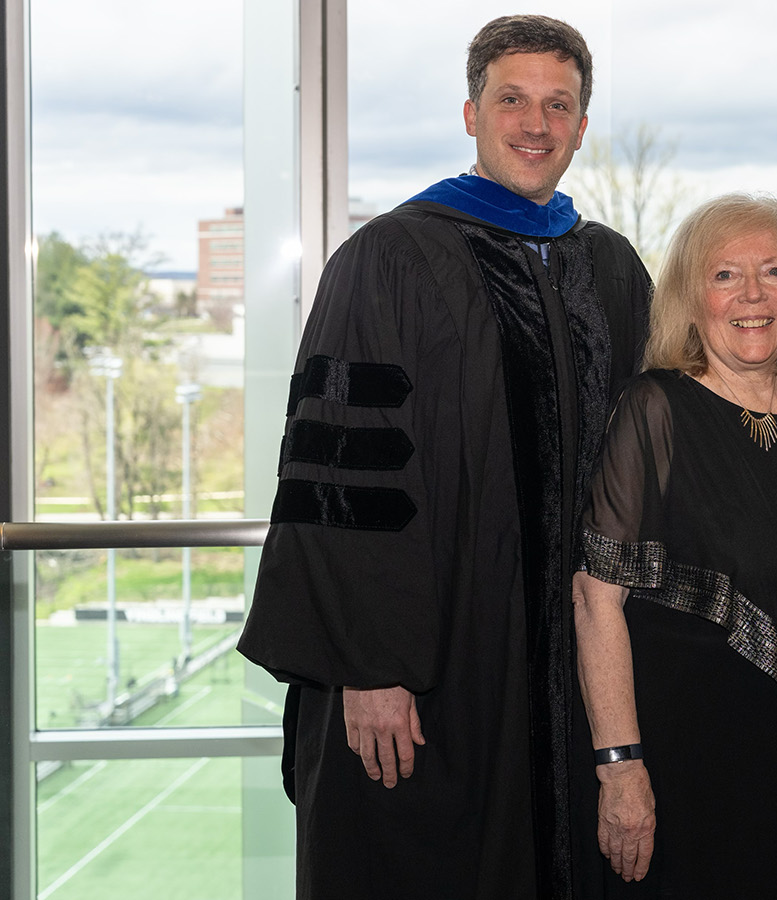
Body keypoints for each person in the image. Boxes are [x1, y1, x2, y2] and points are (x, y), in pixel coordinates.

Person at [237, 15, 650, 900]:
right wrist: (369, 664)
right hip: (433, 669)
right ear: (471, 113)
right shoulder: (387, 258)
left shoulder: (611, 266)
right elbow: (342, 480)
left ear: (582, 124)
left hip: (577, 668)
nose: (535, 124)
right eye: (512, 100)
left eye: (558, 105)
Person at [571, 193, 777, 899]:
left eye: (773, 271)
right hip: (686, 775)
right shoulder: (655, 410)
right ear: (690, 298)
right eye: (725, 276)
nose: (753, 296)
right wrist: (620, 768)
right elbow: (595, 600)